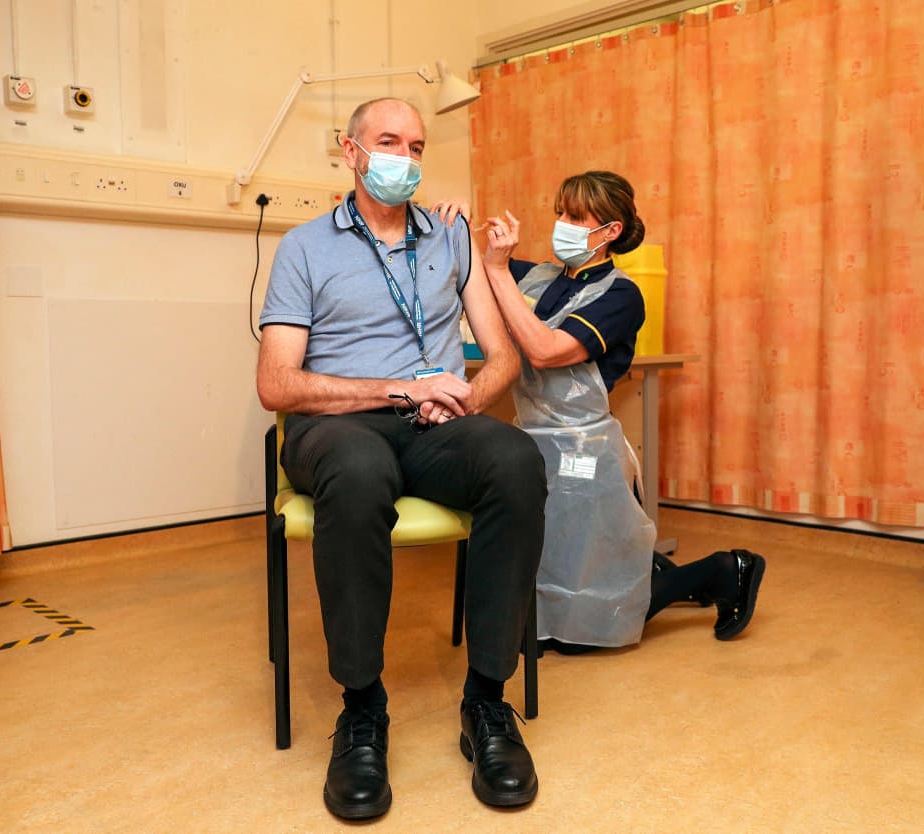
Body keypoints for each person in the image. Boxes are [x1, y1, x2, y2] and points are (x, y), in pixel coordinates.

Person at [256, 97, 546, 820]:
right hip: (339, 424)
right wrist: (399, 387)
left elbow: (503, 355)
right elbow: (276, 384)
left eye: (416, 146)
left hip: (436, 424)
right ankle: (362, 710)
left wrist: (468, 399)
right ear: (350, 152)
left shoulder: (449, 239)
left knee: (514, 460)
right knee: (357, 477)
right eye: (389, 142)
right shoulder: (304, 247)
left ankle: (486, 702)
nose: (405, 159)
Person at [475, 170, 765, 654]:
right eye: (560, 213)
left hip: (583, 452)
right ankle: (647, 567)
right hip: (532, 437)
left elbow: (544, 350)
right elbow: (478, 271)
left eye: (574, 216)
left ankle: (723, 569)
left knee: (594, 625)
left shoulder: (620, 295)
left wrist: (498, 270)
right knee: (555, 571)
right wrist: (452, 227)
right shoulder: (541, 276)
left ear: (609, 232)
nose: (561, 224)